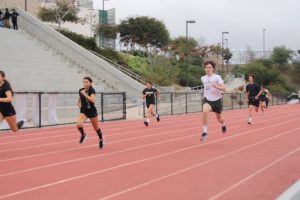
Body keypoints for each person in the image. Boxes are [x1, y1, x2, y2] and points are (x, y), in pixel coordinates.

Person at [200, 61, 226, 141]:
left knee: (219, 119)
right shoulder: (203, 78)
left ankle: (224, 123)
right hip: (207, 99)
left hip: (217, 101)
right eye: (206, 67)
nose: (208, 69)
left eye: (209, 67)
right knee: (205, 111)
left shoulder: (217, 77)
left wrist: (216, 86)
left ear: (213, 68)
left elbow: (224, 89)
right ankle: (205, 132)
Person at [77, 77, 104, 149]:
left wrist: (85, 94)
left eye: (87, 82)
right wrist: (78, 103)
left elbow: (93, 100)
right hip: (84, 111)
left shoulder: (92, 90)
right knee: (79, 124)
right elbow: (80, 97)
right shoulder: (81, 90)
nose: (85, 83)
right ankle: (83, 134)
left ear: (90, 83)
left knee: (96, 128)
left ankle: (101, 139)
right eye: (84, 82)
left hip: (92, 111)